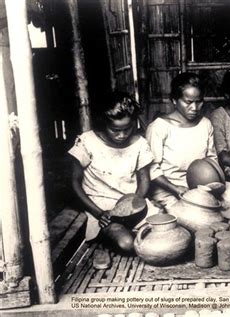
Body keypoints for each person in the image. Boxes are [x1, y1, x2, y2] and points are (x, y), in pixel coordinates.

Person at [69, 91, 154, 269]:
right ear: (103, 123)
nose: (122, 135)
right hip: (103, 210)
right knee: (128, 244)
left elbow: (144, 180)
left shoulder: (140, 144)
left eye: (128, 129)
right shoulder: (87, 142)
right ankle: (104, 241)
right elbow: (75, 183)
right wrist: (99, 213)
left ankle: (118, 235)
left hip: (134, 207)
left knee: (169, 228)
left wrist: (134, 205)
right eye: (115, 130)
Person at [146, 72, 217, 208]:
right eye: (188, 102)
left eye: (199, 102)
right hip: (168, 193)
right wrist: (174, 188)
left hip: (199, 191)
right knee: (192, 219)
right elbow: (151, 168)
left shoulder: (205, 124)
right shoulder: (159, 127)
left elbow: (211, 161)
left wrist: (209, 189)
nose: (194, 108)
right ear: (174, 100)